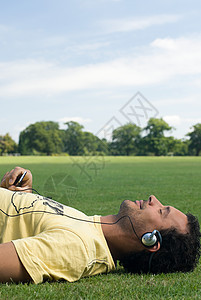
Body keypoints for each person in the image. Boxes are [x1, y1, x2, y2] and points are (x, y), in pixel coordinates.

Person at [0, 167, 200, 284]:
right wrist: (20, 194)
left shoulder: (77, 247)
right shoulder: (89, 226)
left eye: (161, 210)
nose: (153, 198)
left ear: (151, 240)